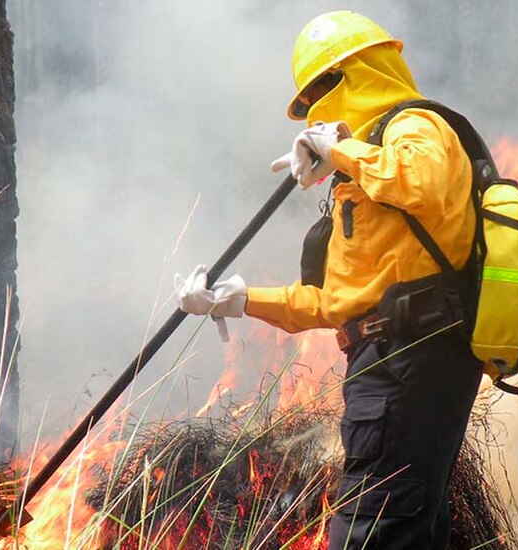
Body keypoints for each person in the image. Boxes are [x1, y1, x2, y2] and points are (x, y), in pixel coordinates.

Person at [175, 10, 483, 549]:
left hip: (411, 361)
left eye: (325, 84)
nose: (317, 105)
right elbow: (337, 302)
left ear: (362, 69)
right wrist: (238, 300)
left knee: (369, 531)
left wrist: (339, 150)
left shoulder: (415, 126)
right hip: (388, 363)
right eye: (311, 95)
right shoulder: (363, 171)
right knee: (405, 530)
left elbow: (425, 184)